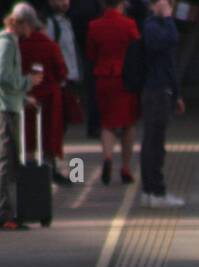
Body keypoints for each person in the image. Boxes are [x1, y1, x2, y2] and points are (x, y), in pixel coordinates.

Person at [0, 3, 45, 230]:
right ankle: (2, 214)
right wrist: (27, 82)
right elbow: (1, 77)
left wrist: (23, 96)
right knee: (5, 161)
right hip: (3, 110)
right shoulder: (7, 43)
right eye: (30, 27)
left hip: (0, 106)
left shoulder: (4, 40)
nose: (31, 32)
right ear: (23, 23)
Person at [87, 0, 140, 185]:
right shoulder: (129, 24)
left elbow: (91, 54)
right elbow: (137, 49)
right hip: (125, 79)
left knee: (107, 123)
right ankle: (125, 167)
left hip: (103, 79)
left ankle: (108, 157)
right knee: (128, 123)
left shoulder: (94, 26)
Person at [139, 0, 186, 208]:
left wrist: (176, 95)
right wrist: (168, 17)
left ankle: (151, 191)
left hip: (162, 91)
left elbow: (170, 66)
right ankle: (155, 192)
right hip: (156, 93)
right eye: (166, 3)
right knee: (154, 145)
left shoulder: (153, 27)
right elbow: (173, 39)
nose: (170, 7)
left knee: (154, 143)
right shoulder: (151, 27)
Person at [19, 19, 71, 183]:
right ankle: (49, 170)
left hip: (27, 96)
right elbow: (62, 72)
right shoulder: (51, 46)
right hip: (50, 97)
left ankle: (27, 171)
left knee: (28, 134)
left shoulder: (20, 46)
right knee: (50, 133)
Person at [42, 0, 83, 152]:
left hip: (69, 79)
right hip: (59, 80)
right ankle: (50, 160)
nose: (66, 3)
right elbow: (48, 50)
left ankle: (52, 158)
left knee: (63, 123)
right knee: (56, 123)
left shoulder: (67, 21)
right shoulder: (51, 23)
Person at [69, 0, 104, 136]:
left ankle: (94, 125)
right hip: (93, 50)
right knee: (94, 91)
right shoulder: (92, 8)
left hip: (86, 48)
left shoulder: (78, 6)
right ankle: (97, 125)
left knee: (92, 91)